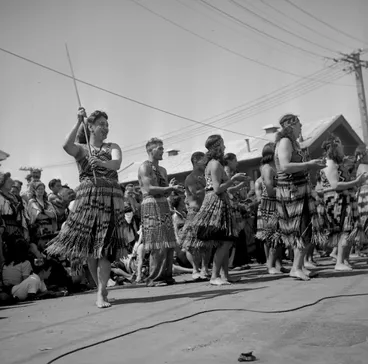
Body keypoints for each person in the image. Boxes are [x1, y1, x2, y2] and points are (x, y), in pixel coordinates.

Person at [46, 108, 126, 308]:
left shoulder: (112, 146)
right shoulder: (82, 149)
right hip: (88, 201)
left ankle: (101, 291)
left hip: (110, 200)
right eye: (101, 124)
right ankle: (101, 287)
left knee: (106, 249)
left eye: (107, 125)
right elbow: (66, 145)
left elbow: (116, 164)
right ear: (90, 127)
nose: (106, 128)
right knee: (91, 250)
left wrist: (100, 162)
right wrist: (78, 121)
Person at [189, 135, 248, 286]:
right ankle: (215, 276)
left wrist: (236, 184)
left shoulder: (213, 164)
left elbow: (223, 187)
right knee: (225, 242)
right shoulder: (214, 164)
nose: (225, 148)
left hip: (220, 201)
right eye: (222, 145)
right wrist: (234, 179)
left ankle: (224, 275)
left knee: (225, 241)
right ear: (216, 147)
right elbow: (216, 188)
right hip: (217, 203)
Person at [274, 114, 326, 281]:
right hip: (292, 191)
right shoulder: (285, 142)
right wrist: (309, 165)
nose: (301, 126)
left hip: (300, 190)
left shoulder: (293, 143)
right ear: (291, 126)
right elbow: (285, 166)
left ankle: (300, 266)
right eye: (299, 124)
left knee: (305, 228)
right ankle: (295, 268)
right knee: (301, 228)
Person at [138, 137, 183, 287]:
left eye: (163, 148)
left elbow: (164, 193)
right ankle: (154, 278)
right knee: (157, 243)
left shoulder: (163, 170)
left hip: (163, 204)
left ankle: (166, 275)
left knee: (169, 242)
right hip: (151, 203)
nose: (162, 150)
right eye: (159, 148)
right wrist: (170, 189)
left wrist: (169, 188)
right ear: (150, 150)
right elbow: (149, 188)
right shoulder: (145, 167)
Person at [320, 135, 367, 271]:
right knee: (345, 230)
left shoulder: (337, 163)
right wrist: (356, 182)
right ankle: (339, 261)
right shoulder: (329, 163)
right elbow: (335, 185)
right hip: (337, 201)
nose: (343, 148)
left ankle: (344, 259)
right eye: (340, 146)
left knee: (350, 230)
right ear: (334, 148)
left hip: (345, 199)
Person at [256, 142, 288, 274]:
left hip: (276, 203)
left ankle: (278, 264)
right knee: (271, 237)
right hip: (269, 205)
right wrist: (285, 190)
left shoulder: (274, 166)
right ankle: (270, 265)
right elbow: (269, 190)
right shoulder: (267, 168)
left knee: (278, 237)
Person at [179, 151, 212, 280]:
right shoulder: (190, 178)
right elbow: (196, 193)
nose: (206, 163)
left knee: (207, 243)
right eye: (203, 161)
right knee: (191, 245)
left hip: (206, 211)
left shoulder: (206, 176)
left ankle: (205, 268)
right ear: (196, 161)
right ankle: (195, 269)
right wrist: (208, 187)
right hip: (194, 212)